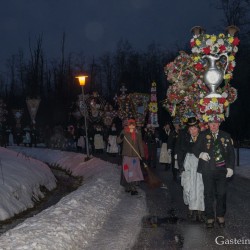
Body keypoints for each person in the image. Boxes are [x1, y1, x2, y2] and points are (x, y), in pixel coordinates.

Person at [193, 120, 235, 228]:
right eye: (211, 123)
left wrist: (230, 167)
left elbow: (231, 153)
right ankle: (210, 217)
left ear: (219, 124)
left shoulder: (225, 135)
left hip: (222, 171)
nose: (213, 125)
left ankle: (220, 215)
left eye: (216, 123)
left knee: (221, 193)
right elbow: (195, 149)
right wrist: (201, 154)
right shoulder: (203, 135)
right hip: (207, 170)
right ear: (208, 125)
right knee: (208, 194)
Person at [178, 117, 205, 222]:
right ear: (188, 130)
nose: (193, 131)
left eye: (195, 128)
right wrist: (180, 165)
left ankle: (199, 211)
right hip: (187, 164)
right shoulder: (184, 138)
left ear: (198, 128)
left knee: (199, 188)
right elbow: (180, 151)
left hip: (200, 164)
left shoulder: (203, 138)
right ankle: (191, 207)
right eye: (190, 129)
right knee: (188, 187)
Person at [117, 118, 145, 195]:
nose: (131, 126)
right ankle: (127, 186)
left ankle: (133, 188)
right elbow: (118, 141)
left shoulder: (138, 132)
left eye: (133, 124)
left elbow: (140, 145)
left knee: (134, 172)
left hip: (135, 156)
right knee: (127, 171)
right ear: (128, 124)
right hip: (126, 156)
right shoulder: (124, 131)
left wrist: (142, 155)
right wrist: (121, 137)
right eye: (130, 124)